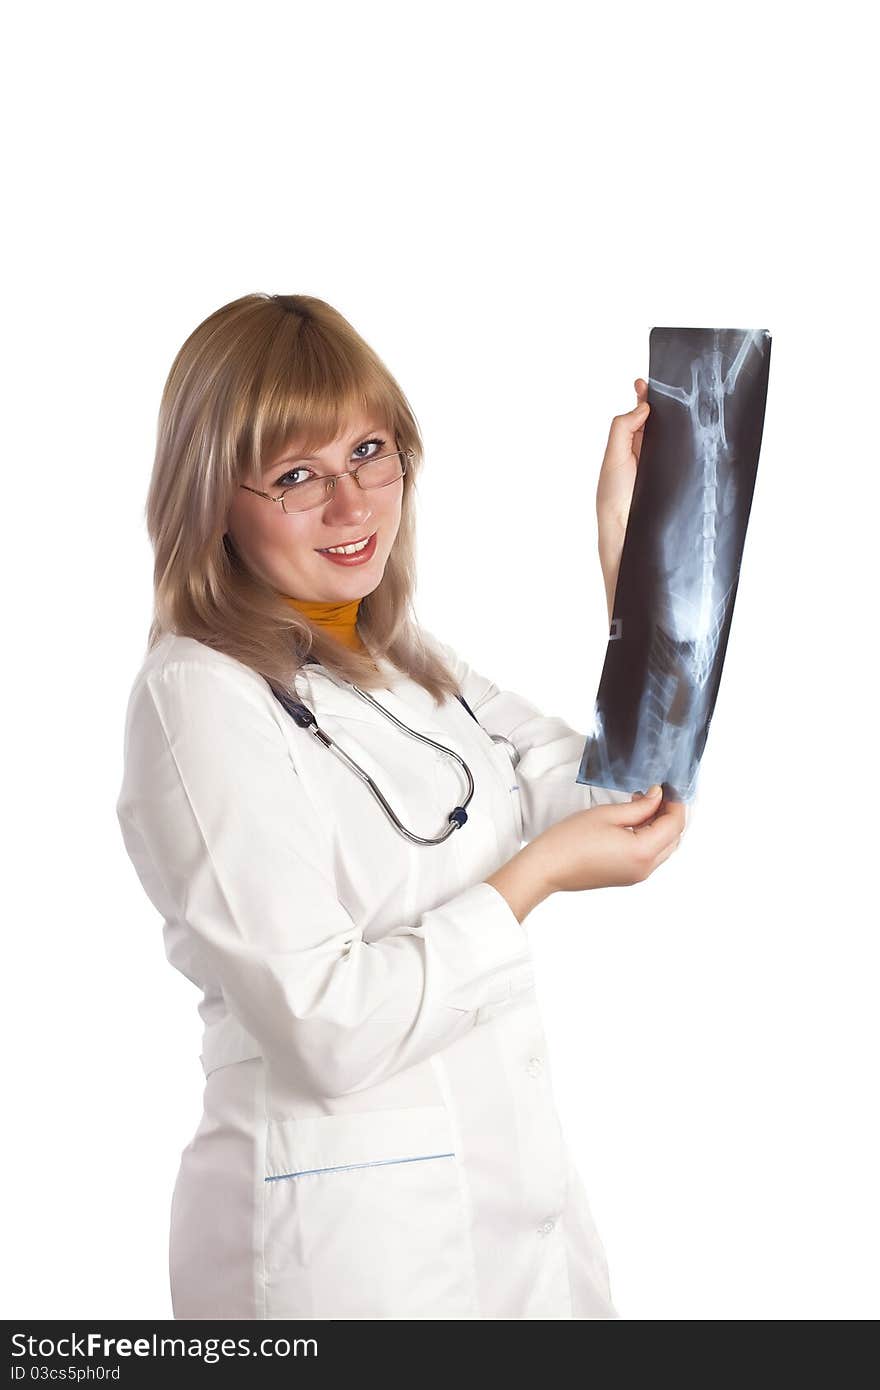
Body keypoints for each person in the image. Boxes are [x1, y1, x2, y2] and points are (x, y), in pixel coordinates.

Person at [115, 292, 687, 1321]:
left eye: (369, 451)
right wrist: (531, 879)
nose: (351, 503)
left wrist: (631, 542)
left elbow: (626, 793)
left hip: (516, 1224)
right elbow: (328, 1027)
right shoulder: (197, 696)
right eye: (297, 475)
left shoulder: (403, 663)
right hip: (346, 1262)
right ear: (212, 501)